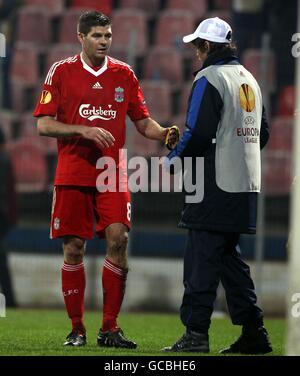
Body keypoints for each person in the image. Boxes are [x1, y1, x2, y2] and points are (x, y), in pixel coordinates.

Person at [33, 11, 178, 348]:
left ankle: (109, 328)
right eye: (97, 35)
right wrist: (82, 130)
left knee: (119, 239)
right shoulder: (61, 71)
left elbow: (143, 122)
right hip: (72, 171)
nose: (104, 41)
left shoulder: (123, 74)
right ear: (80, 37)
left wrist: (164, 134)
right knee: (74, 248)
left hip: (111, 172)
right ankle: (77, 328)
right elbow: (43, 125)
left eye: (108, 36)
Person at [162, 17, 272, 354]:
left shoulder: (209, 78)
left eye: (198, 47)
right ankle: (254, 332)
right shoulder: (248, 78)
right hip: (245, 184)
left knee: (201, 258)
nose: (196, 54)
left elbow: (197, 132)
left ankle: (196, 334)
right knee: (228, 258)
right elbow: (263, 133)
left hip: (213, 184)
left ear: (207, 47)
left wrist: (172, 160)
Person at [0, 127, 17, 307]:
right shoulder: (5, 160)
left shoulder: (3, 160)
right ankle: (10, 300)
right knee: (2, 260)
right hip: (4, 217)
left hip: (1, 216)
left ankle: (10, 300)